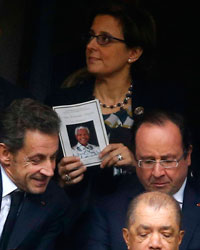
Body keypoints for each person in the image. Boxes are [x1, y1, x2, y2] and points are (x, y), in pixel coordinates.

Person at [81, 110, 200, 250]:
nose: (157, 173)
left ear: (188, 156)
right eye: (148, 161)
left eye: (167, 161)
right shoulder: (108, 209)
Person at [0, 98, 71, 250]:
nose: (50, 171)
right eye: (36, 160)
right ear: (6, 154)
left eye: (53, 158)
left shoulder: (55, 202)